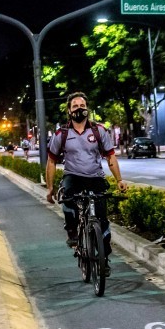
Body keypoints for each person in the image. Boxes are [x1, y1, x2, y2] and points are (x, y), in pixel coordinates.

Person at [46, 92, 128, 273]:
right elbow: (51, 161)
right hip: (72, 176)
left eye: (82, 105)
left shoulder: (99, 131)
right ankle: (73, 232)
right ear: (69, 111)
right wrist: (50, 188)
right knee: (67, 199)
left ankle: (103, 258)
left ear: (87, 108)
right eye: (75, 106)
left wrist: (119, 180)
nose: (79, 109)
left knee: (103, 220)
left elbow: (110, 157)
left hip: (95, 177)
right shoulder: (62, 134)